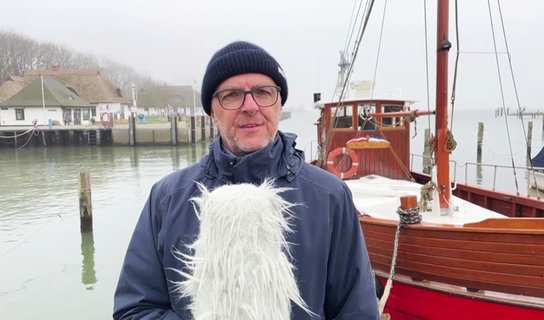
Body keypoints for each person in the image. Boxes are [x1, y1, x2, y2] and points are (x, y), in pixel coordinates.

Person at [113, 40, 379, 319]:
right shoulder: (167, 198)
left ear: (279, 105)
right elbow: (135, 308)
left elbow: (357, 310)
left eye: (263, 93)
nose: (250, 106)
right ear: (212, 112)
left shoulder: (329, 196)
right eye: (231, 95)